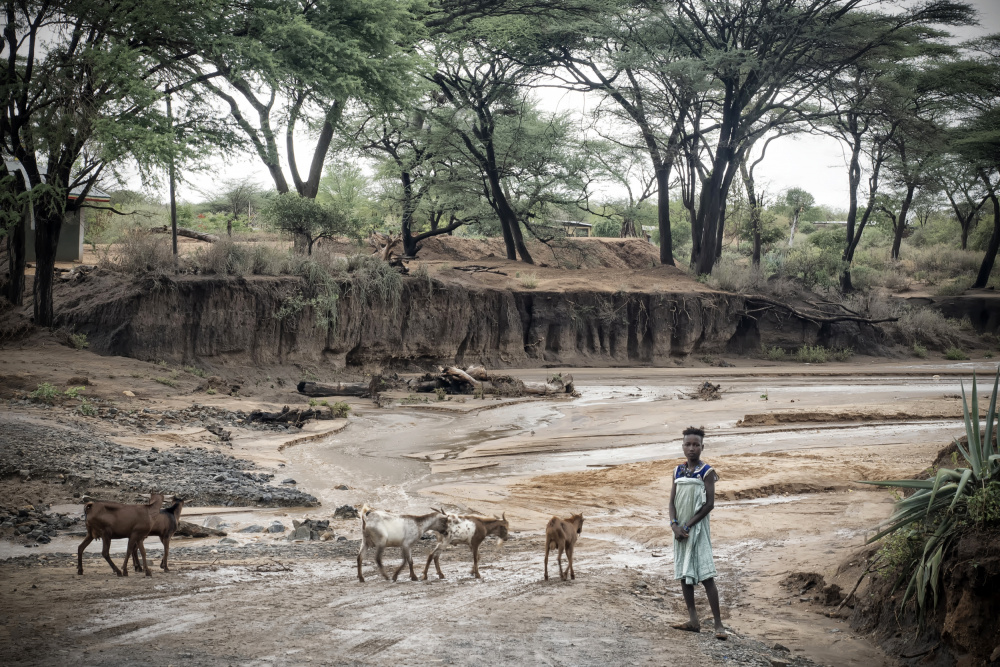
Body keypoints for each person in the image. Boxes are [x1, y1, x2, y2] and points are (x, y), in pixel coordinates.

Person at [669, 425, 726, 640]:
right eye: (688, 444)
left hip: (698, 529)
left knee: (706, 575)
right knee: (685, 573)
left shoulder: (707, 472)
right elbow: (672, 502)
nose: (691, 448)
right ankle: (693, 620)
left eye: (696, 445)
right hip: (680, 531)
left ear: (702, 447)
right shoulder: (677, 471)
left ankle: (719, 625)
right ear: (682, 446)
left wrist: (688, 525)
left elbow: (709, 504)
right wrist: (674, 525)